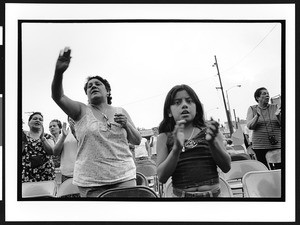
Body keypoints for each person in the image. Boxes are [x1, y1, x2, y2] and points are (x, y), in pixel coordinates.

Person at [51, 47, 142, 197]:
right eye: (89, 86)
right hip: (91, 182)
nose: (93, 86)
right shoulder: (80, 111)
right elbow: (58, 97)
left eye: (97, 84)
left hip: (124, 176)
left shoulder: (121, 111)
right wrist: (58, 72)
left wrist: (126, 124)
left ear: (108, 91)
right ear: (86, 94)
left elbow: (137, 140)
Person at [157, 84, 231, 198]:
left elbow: (226, 167)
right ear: (169, 112)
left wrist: (213, 143)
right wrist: (176, 149)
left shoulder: (211, 131)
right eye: (177, 102)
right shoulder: (164, 137)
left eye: (189, 101)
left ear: (197, 107)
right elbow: (162, 177)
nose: (184, 105)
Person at [246, 87, 281, 167]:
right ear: (257, 97)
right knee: (264, 167)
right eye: (264, 94)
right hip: (260, 145)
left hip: (277, 144)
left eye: (268, 93)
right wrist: (257, 116)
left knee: (280, 167)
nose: (267, 95)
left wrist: (278, 116)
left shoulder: (275, 107)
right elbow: (250, 126)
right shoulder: (252, 109)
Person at [22, 112, 55, 182]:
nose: (38, 120)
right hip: (27, 175)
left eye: (40, 119)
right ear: (28, 123)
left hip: (46, 175)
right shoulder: (23, 136)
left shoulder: (47, 137)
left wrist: (43, 139)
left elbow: (52, 151)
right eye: (35, 119)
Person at [53, 117, 78, 183]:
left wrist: (75, 133)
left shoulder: (86, 131)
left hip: (83, 173)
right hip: (66, 174)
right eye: (70, 117)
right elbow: (55, 152)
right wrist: (64, 136)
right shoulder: (64, 133)